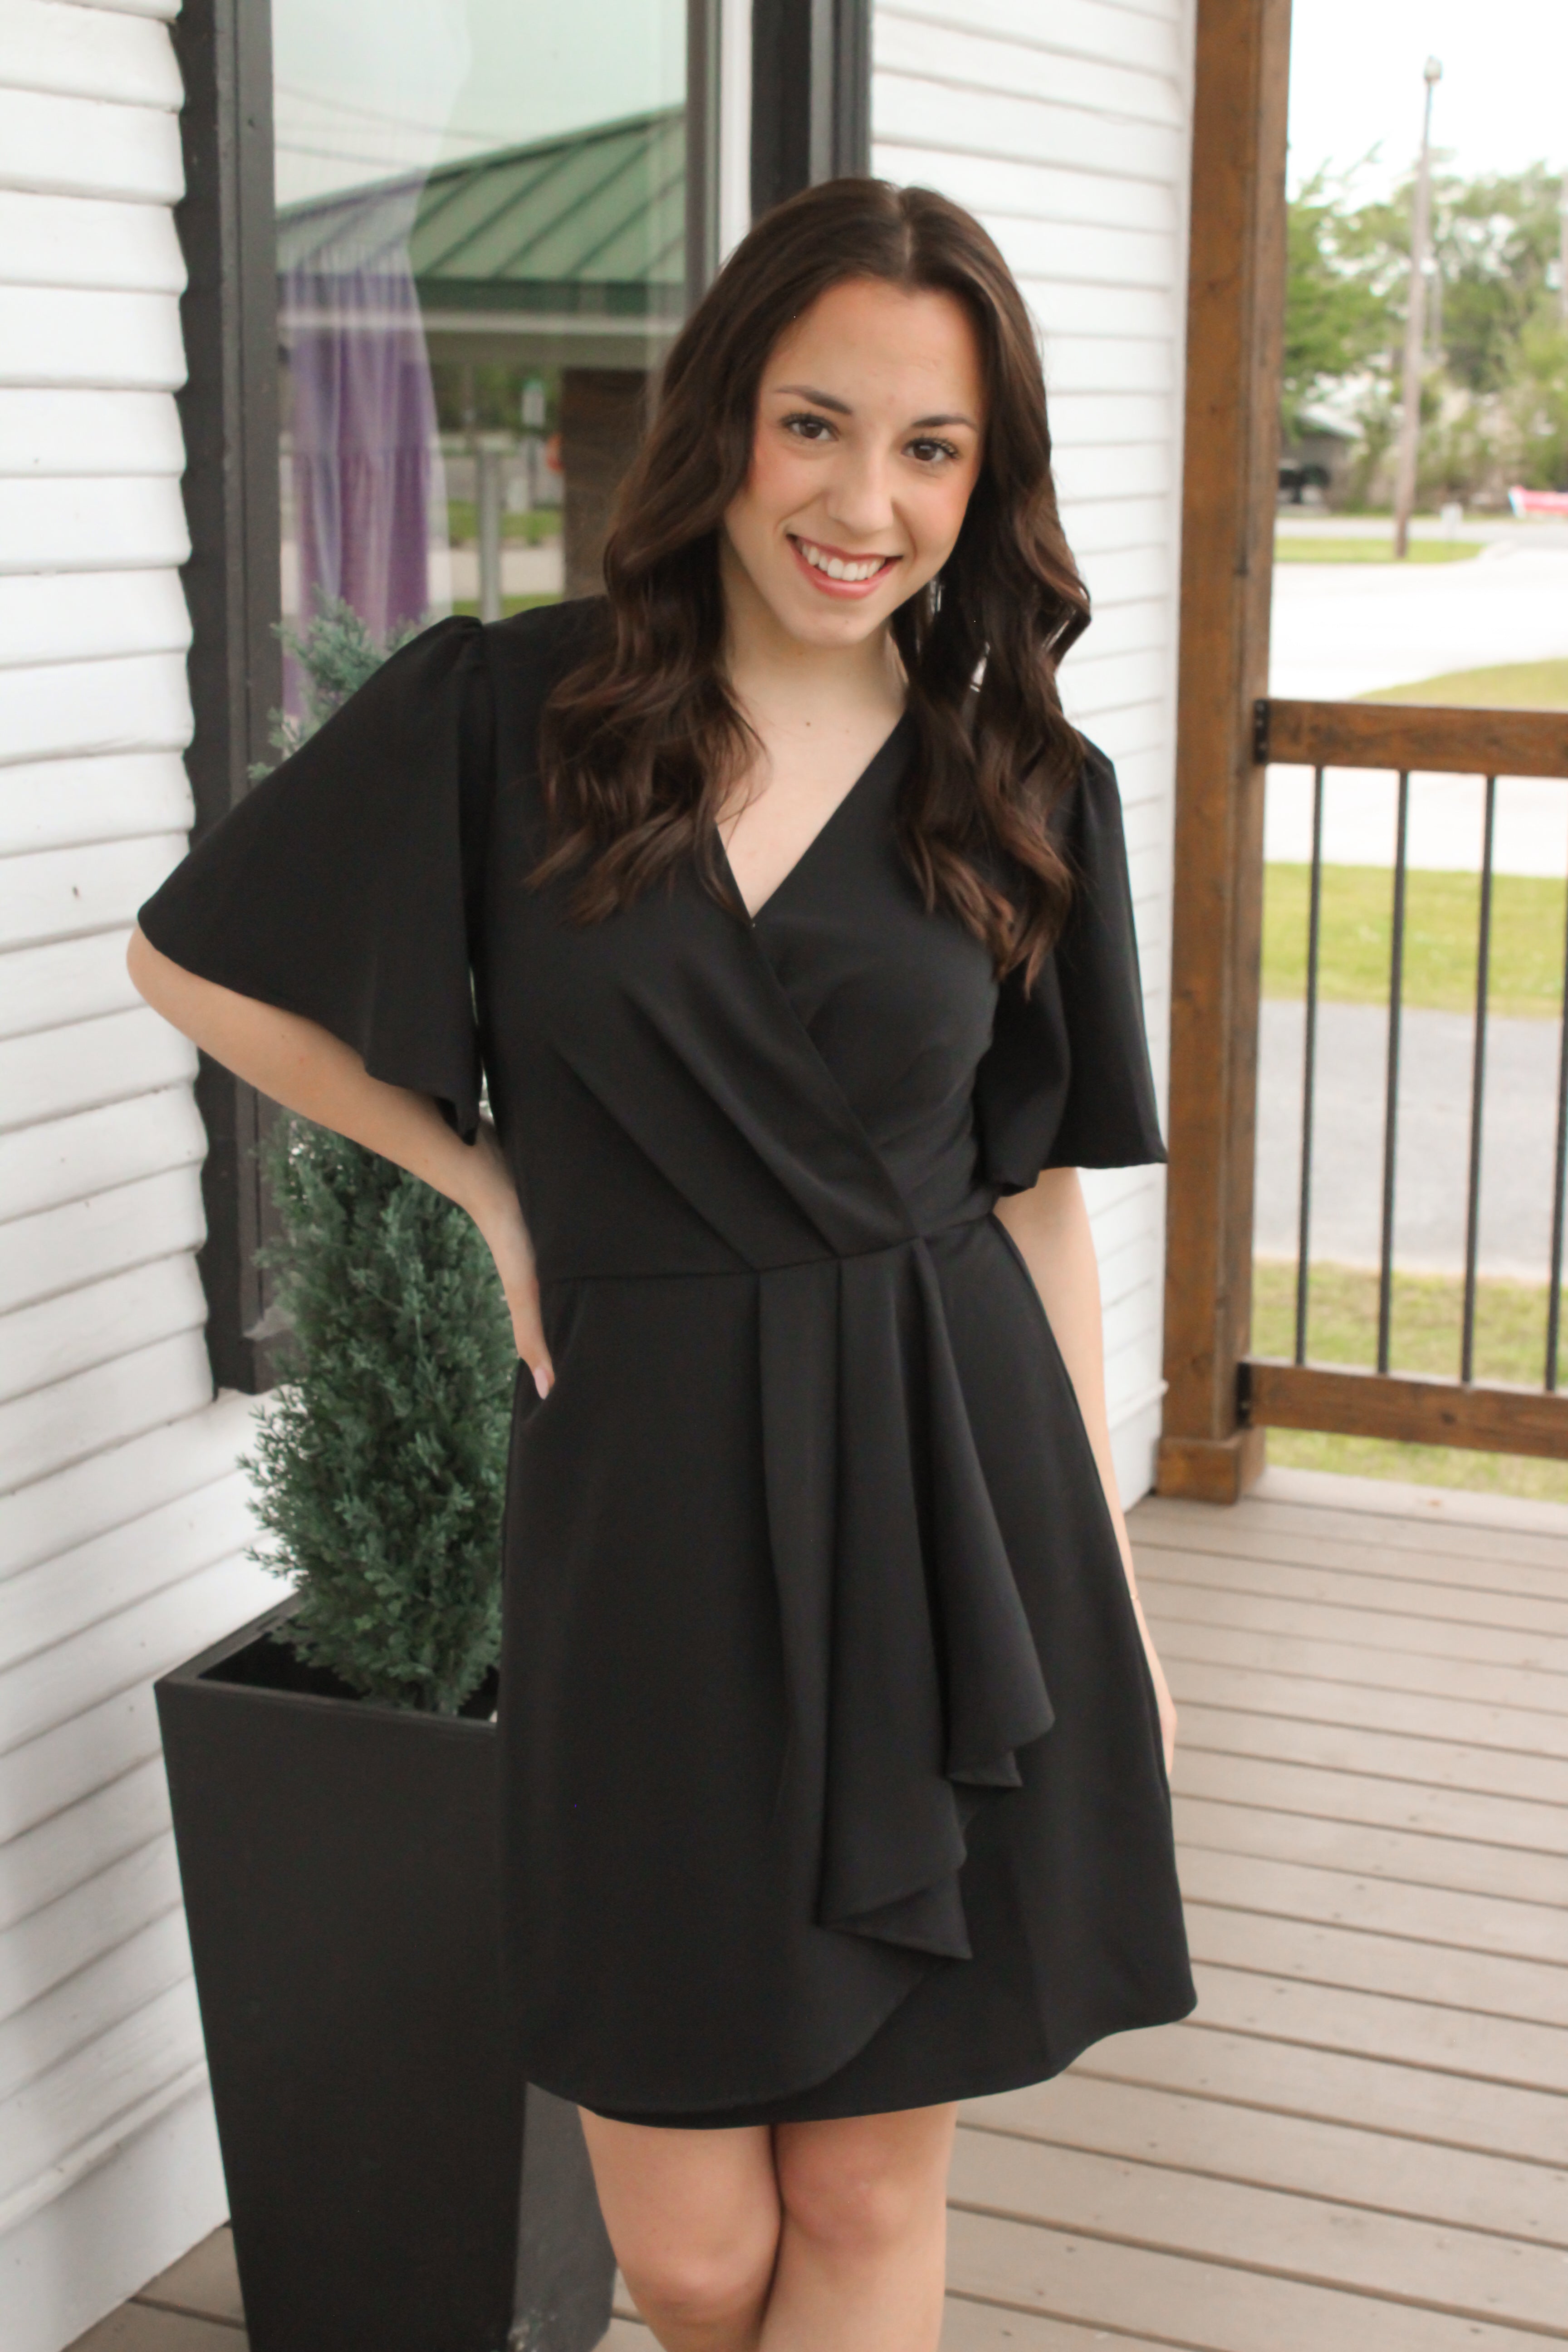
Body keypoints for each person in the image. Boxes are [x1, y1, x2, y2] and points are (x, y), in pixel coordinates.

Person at [130, 177, 1194, 2352]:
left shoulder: (1021, 782)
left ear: (984, 483)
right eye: (817, 426)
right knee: (691, 2252)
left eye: (931, 451)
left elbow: (1034, 1199)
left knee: (870, 2189)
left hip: (947, 1493)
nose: (863, 505)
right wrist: (487, 1182)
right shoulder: (509, 712)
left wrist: (1104, 1580)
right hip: (648, 1515)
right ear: (723, 420)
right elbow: (195, 964)